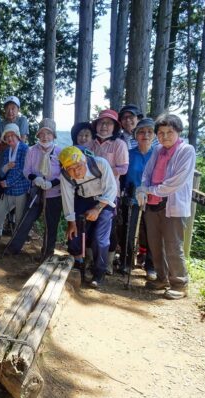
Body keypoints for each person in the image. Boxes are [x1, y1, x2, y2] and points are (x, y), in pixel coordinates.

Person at [136, 114, 195, 300]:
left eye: (170, 132)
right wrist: (142, 188)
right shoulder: (158, 150)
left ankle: (179, 283)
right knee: (155, 244)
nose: (165, 136)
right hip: (152, 204)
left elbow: (176, 182)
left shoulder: (186, 151)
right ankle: (162, 279)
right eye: (161, 133)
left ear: (178, 132)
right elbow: (147, 173)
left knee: (173, 245)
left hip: (172, 205)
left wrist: (150, 190)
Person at [59, 146, 117, 288]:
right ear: (65, 169)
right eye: (71, 169)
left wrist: (97, 209)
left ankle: (99, 272)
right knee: (74, 234)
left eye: (79, 166)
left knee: (100, 238)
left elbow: (112, 189)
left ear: (84, 161)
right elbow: (67, 198)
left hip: (105, 200)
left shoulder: (100, 164)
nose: (76, 171)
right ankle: (77, 264)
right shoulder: (65, 176)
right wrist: (71, 222)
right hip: (83, 199)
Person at [6, 118, 62, 258]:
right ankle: (14, 247)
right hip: (35, 192)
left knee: (51, 224)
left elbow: (64, 174)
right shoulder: (32, 150)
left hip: (54, 194)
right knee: (26, 219)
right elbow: (26, 171)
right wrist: (35, 179)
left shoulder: (60, 152)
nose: (45, 137)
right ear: (38, 135)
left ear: (53, 136)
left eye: (48, 134)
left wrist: (52, 183)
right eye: (42, 133)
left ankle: (47, 252)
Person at [90, 109, 129, 273]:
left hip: (110, 194)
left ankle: (106, 264)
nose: (104, 126)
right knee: (90, 229)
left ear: (115, 127)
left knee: (106, 232)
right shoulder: (91, 143)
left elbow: (123, 168)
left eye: (108, 123)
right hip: (90, 193)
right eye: (101, 122)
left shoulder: (119, 144)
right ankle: (91, 262)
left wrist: (103, 171)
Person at [119, 118, 157, 280]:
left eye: (149, 132)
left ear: (154, 135)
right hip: (132, 199)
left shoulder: (158, 154)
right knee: (129, 231)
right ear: (135, 135)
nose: (145, 135)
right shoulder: (129, 154)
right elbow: (123, 177)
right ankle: (126, 262)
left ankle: (151, 266)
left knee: (151, 234)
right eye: (141, 132)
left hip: (152, 199)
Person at [0, 123, 30, 240]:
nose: (9, 138)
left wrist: (8, 182)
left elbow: (22, 171)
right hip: (8, 190)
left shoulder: (25, 149)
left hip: (21, 189)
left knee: (19, 217)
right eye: (7, 136)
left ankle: (17, 240)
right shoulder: (7, 150)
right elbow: (1, 172)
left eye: (12, 135)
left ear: (17, 136)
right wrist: (7, 167)